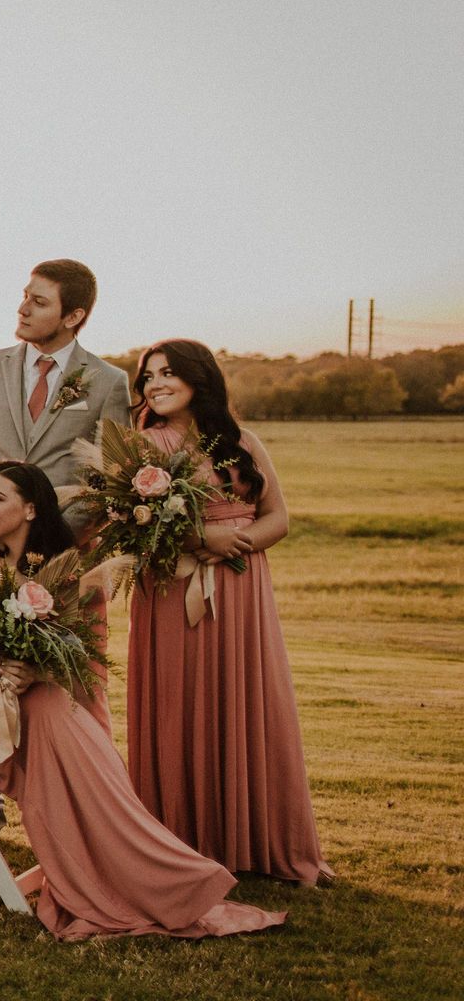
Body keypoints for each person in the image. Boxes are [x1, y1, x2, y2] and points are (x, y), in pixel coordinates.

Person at [0, 460, 288, 938]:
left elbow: (66, 641)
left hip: (23, 699)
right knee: (55, 710)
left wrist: (31, 668)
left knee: (64, 711)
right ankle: (135, 867)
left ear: (31, 509)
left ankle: (133, 868)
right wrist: (7, 672)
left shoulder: (44, 562)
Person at [126, 341, 331, 885]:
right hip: (170, 591)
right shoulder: (139, 448)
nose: (155, 384)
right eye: (148, 376)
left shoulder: (241, 442)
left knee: (246, 698)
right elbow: (129, 524)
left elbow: (278, 518)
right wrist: (197, 536)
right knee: (178, 700)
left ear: (200, 378)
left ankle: (256, 839)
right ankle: (184, 840)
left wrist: (231, 541)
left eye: (168, 373)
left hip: (241, 591)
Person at [0, 259, 129, 520]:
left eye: (39, 303)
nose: (22, 309)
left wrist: (57, 537)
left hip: (66, 549)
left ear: (73, 316)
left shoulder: (110, 382)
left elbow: (112, 477)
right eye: (25, 296)